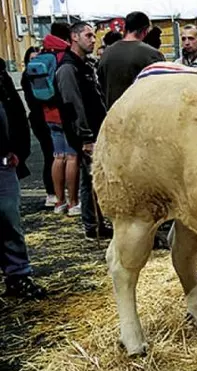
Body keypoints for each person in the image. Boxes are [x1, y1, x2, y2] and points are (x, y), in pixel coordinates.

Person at [56, 22, 112, 240]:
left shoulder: (84, 65)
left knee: (92, 178)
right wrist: (85, 137)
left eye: (93, 35)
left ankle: (97, 223)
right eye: (88, 35)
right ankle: (93, 225)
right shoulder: (69, 68)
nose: (92, 39)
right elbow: (72, 105)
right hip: (85, 134)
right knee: (90, 180)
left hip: (95, 130)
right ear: (74, 37)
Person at [0, 57, 46, 299]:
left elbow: (15, 111)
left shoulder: (1, 74)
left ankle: (18, 276)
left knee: (9, 218)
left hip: (4, 162)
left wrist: (16, 149)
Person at [33, 23, 80, 215]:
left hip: (47, 112)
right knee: (72, 157)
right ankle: (73, 202)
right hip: (64, 112)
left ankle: (59, 201)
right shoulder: (63, 55)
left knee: (57, 156)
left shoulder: (44, 53)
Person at [98, 11, 165, 110]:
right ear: (146, 30)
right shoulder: (152, 55)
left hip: (112, 116)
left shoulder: (106, 54)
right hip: (140, 116)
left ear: (125, 28)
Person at [20, 47, 56, 207]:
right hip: (40, 118)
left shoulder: (34, 76)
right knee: (50, 155)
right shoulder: (29, 77)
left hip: (41, 117)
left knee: (54, 155)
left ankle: (54, 192)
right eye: (32, 59)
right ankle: (51, 192)